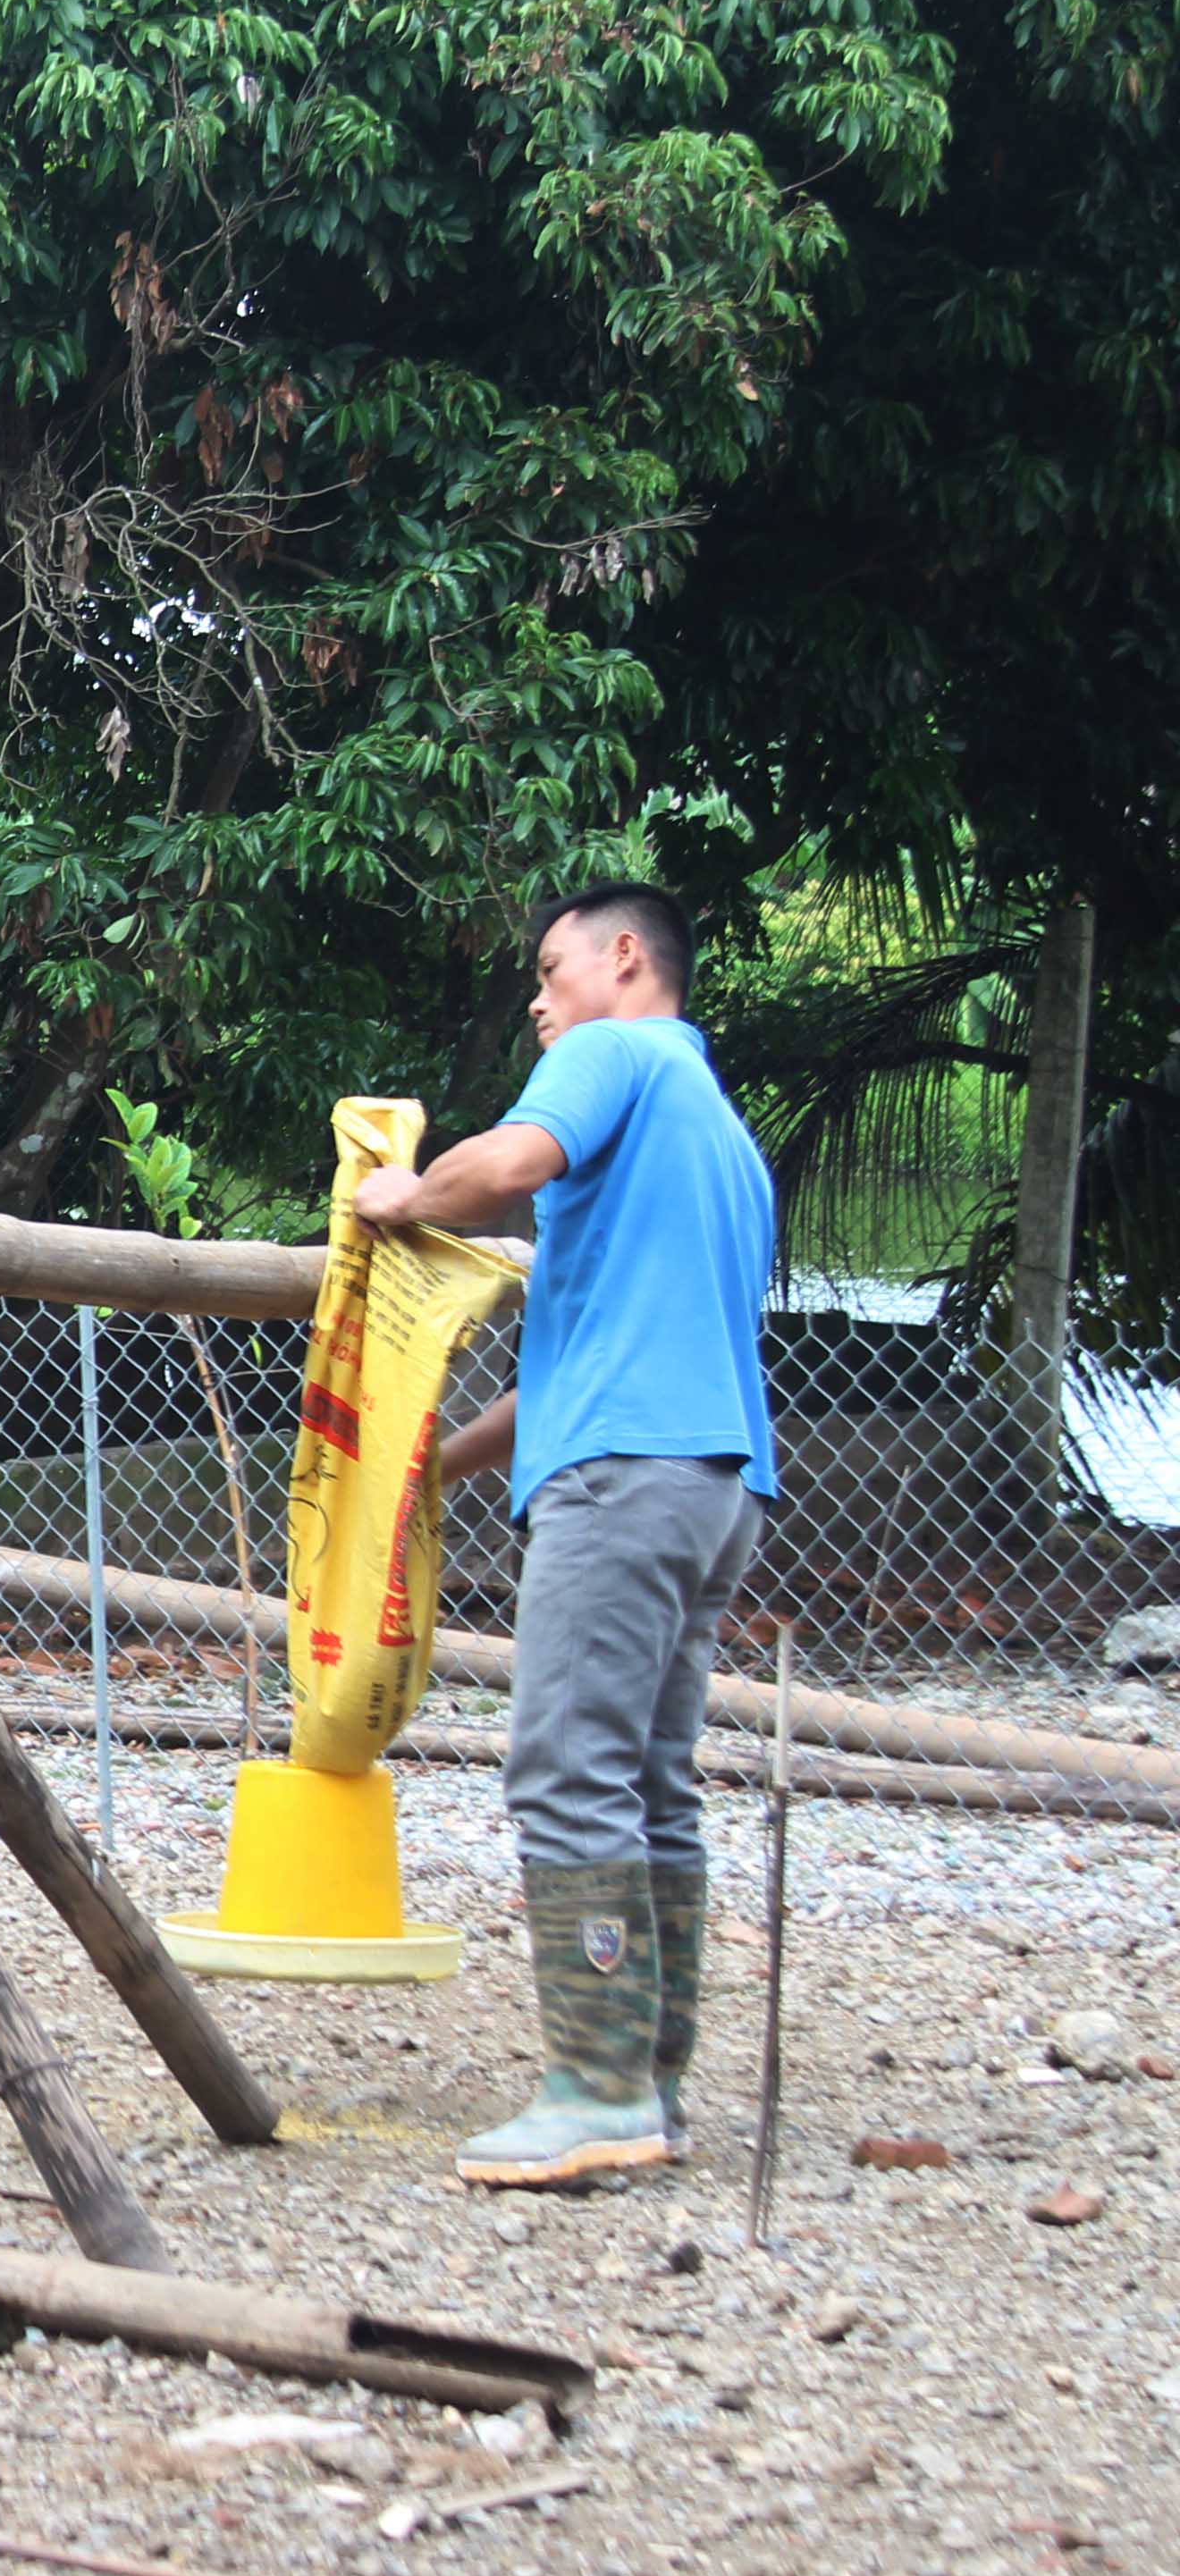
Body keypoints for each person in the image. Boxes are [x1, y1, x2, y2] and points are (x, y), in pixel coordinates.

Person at [351, 883, 777, 2190]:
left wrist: (408, 1193)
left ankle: (593, 2089)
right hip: (718, 1487)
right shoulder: (724, 1139)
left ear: (628, 958)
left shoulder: (612, 1055)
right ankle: (652, 2083)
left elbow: (513, 1165)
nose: (539, 1002)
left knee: (562, 1764)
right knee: (651, 1776)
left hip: (624, 1481)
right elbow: (590, 1355)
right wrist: (429, 1467)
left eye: (551, 970)